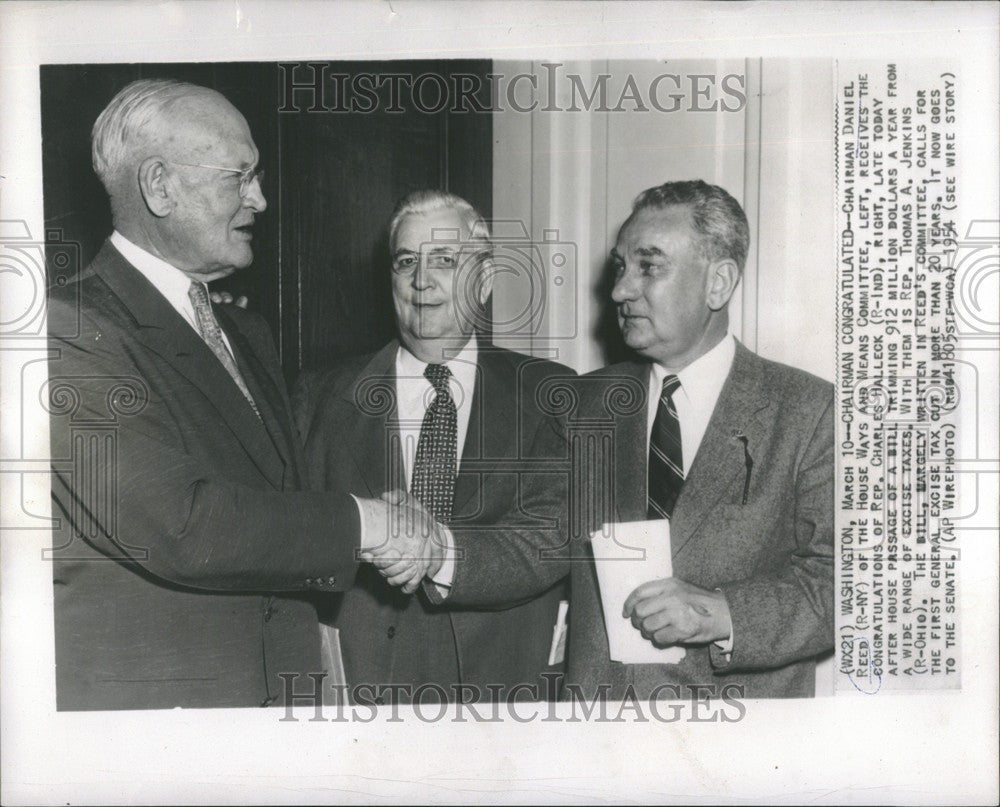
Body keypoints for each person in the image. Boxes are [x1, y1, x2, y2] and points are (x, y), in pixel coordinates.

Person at [46, 79, 429, 711]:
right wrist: (369, 523)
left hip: (278, 696)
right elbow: (181, 525)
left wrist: (383, 513)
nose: (261, 198)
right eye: (239, 176)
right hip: (163, 724)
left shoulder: (245, 332)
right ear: (160, 186)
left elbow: (274, 500)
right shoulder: (66, 332)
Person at [294, 190, 573, 703]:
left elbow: (555, 538)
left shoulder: (550, 395)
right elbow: (291, 530)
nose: (422, 280)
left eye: (444, 259)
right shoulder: (319, 396)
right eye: (406, 263)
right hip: (361, 692)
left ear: (486, 281)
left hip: (503, 696)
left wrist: (437, 551)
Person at [565, 180, 835, 699]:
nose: (621, 289)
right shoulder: (582, 404)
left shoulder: (809, 411)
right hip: (596, 742)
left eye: (649, 266)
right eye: (621, 266)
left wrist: (722, 612)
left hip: (737, 750)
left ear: (719, 283)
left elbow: (847, 585)